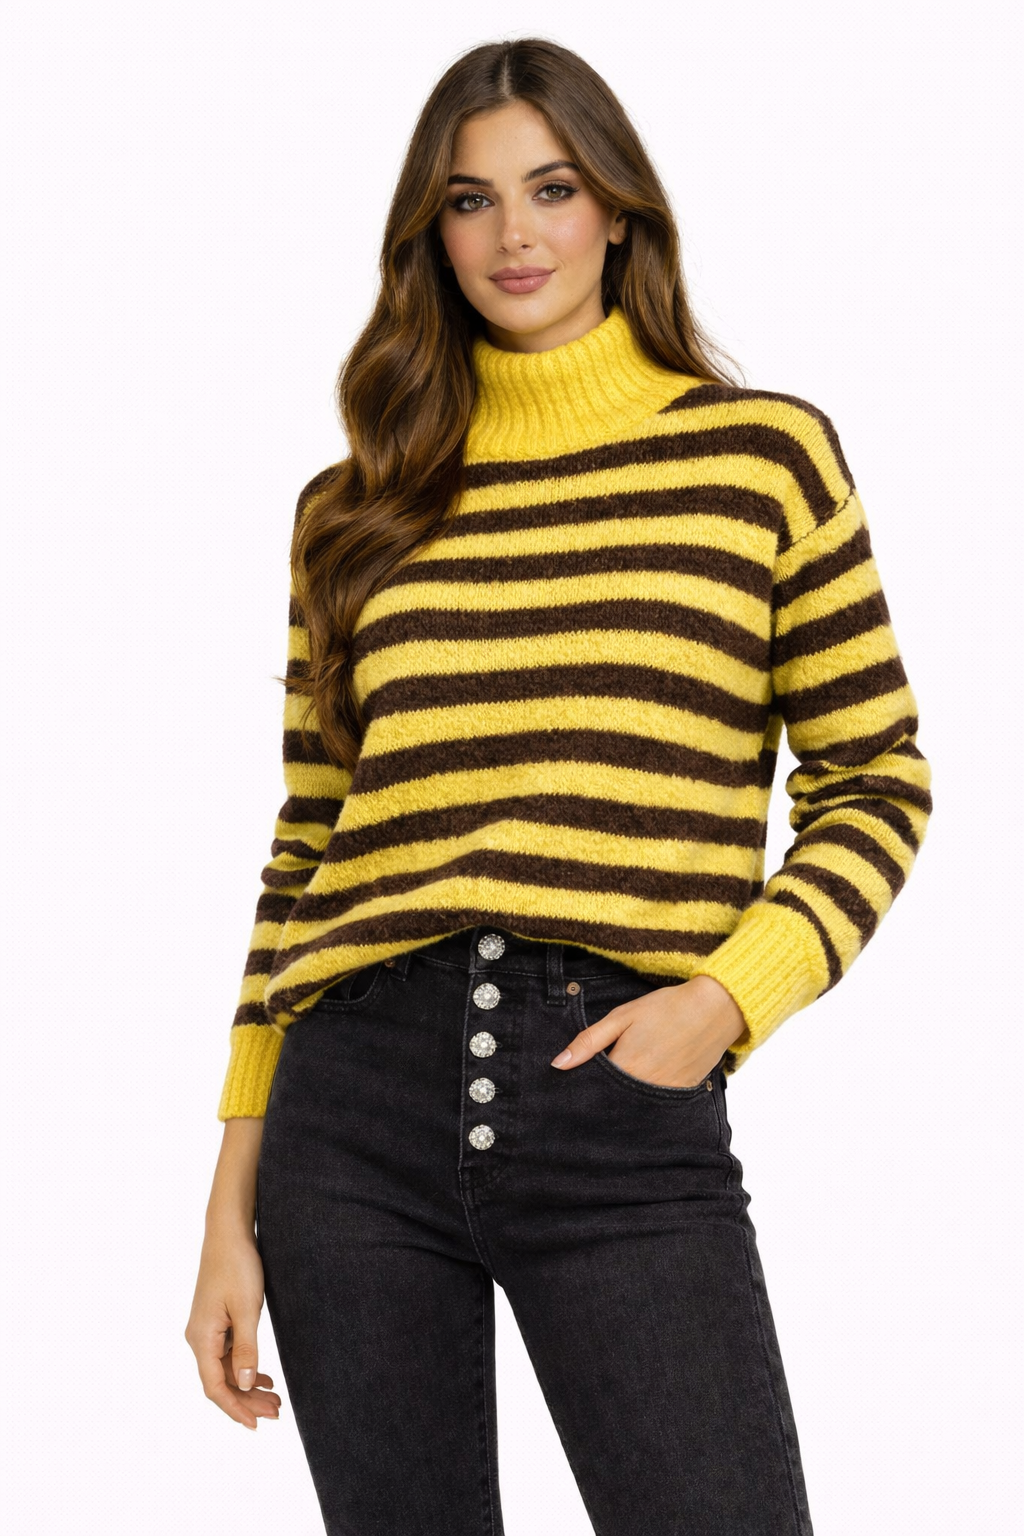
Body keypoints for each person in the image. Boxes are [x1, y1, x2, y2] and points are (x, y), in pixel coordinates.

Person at [186, 37, 932, 1536]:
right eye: (471, 200)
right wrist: (229, 1197)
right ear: (430, 233)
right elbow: (309, 845)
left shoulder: (759, 460)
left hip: (619, 1096)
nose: (514, 235)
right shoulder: (353, 510)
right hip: (352, 1113)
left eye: (553, 188)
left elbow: (876, 780)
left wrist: (723, 1003)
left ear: (619, 213)